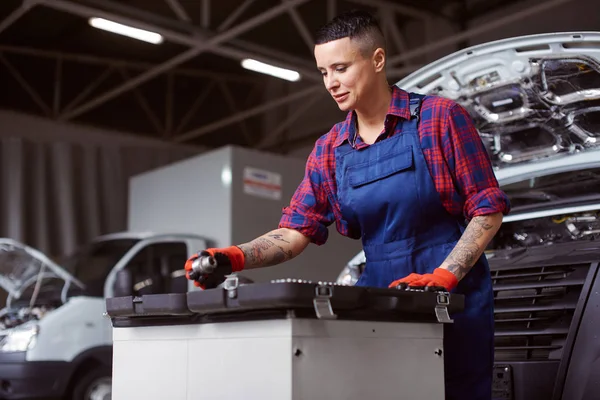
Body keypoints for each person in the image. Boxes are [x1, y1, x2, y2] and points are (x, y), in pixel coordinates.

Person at [185, 9, 510, 400]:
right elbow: (294, 231)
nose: (331, 83)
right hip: (380, 299)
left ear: (377, 60)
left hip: (454, 300)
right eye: (324, 72)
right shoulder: (330, 149)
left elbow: (487, 208)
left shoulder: (439, 119)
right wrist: (233, 257)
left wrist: (445, 276)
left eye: (340, 68)